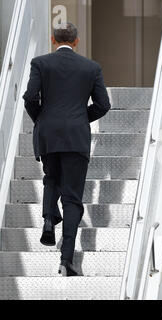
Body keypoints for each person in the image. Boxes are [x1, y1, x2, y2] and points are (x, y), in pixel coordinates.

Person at [22, 22, 111, 276]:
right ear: (77, 41)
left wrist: (42, 119)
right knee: (72, 198)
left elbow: (30, 98)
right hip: (76, 137)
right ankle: (66, 261)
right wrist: (81, 118)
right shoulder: (91, 67)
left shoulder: (40, 63)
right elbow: (103, 105)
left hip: (48, 134)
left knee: (51, 178)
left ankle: (49, 216)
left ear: (52, 39)